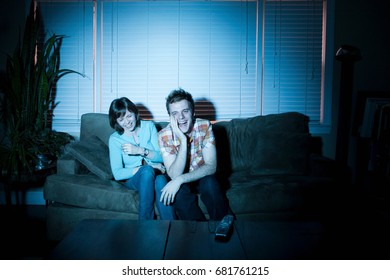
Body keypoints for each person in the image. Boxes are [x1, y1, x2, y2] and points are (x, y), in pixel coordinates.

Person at [157, 88, 230, 221]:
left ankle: (223, 227)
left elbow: (211, 166)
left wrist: (179, 180)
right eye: (175, 113)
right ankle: (199, 233)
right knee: (178, 193)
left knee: (210, 183)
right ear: (170, 117)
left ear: (193, 112)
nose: (181, 117)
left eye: (185, 111)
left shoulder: (204, 126)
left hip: (202, 175)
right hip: (182, 179)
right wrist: (183, 140)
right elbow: (174, 174)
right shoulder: (164, 135)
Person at [108, 97, 175, 220]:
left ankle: (171, 227)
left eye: (129, 116)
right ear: (116, 121)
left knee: (160, 180)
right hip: (134, 180)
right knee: (147, 171)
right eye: (121, 119)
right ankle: (144, 224)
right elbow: (117, 174)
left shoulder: (149, 127)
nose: (127, 122)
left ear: (135, 113)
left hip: (158, 174)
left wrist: (140, 151)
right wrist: (149, 167)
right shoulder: (115, 139)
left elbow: (162, 157)